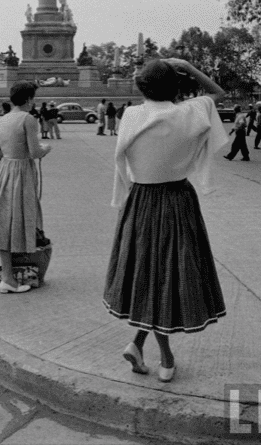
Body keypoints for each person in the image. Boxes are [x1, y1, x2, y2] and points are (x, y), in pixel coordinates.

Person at [103, 59, 227, 383]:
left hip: (141, 200)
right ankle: (167, 358)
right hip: (177, 199)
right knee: (167, 276)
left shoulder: (130, 115)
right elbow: (219, 93)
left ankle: (137, 343)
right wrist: (187, 66)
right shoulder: (191, 112)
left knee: (149, 275)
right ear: (178, 86)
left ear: (141, 87)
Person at [0, 81, 51, 293]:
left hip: (4, 171)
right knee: (19, 220)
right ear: (27, 99)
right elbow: (34, 152)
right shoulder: (28, 119)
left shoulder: (3, 119)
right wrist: (46, 148)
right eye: (32, 98)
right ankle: (9, 278)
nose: (34, 102)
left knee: (5, 222)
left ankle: (8, 275)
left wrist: (11, 153)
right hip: (22, 173)